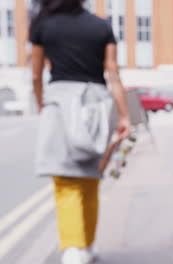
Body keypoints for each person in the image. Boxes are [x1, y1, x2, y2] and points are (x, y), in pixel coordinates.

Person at [30, 1, 130, 264]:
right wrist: (124, 115)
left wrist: (42, 103)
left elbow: (36, 75)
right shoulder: (101, 27)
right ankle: (86, 244)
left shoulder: (43, 25)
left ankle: (73, 248)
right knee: (90, 177)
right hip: (96, 104)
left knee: (65, 180)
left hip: (60, 102)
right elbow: (113, 74)